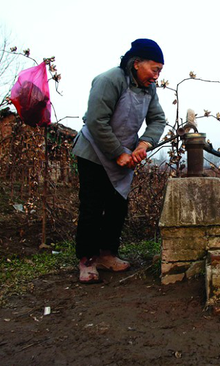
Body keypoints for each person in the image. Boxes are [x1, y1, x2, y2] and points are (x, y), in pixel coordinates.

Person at [72, 39, 166, 283]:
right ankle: (87, 260)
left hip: (125, 155)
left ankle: (107, 254)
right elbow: (96, 121)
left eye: (159, 71)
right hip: (94, 151)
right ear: (136, 64)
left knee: (117, 206)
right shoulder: (110, 80)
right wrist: (118, 152)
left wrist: (143, 144)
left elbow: (157, 120)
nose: (156, 76)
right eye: (154, 69)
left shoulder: (148, 89)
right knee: (92, 206)